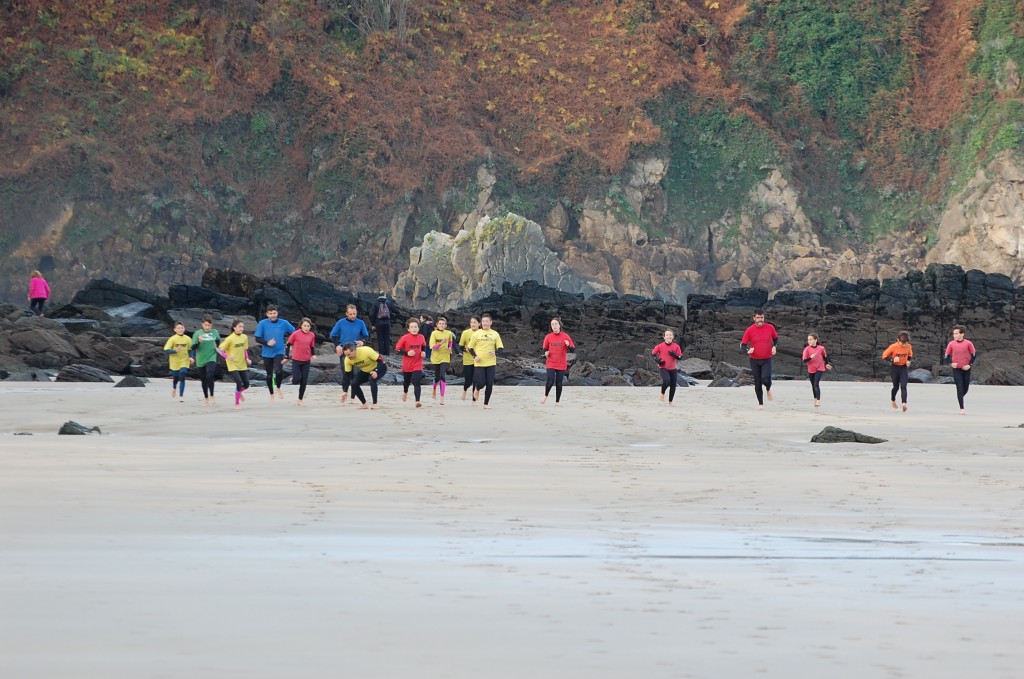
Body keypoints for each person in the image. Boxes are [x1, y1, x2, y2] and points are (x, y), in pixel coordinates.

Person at [330, 304, 370, 403]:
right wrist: (337, 345)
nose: (353, 316)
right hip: (345, 351)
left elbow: (366, 335)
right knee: (346, 373)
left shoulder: (360, 323)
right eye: (351, 314)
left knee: (356, 375)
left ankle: (353, 397)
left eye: (354, 314)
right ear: (346, 314)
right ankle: (345, 392)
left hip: (356, 351)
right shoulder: (341, 323)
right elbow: (333, 335)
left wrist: (362, 342)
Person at [254, 305, 295, 401]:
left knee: (278, 371)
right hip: (267, 352)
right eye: (270, 313)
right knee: (269, 375)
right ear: (267, 314)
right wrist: (267, 342)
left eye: (274, 313)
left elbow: (294, 332)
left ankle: (278, 388)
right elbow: (257, 338)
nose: (273, 315)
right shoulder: (262, 324)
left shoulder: (284, 323)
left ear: (277, 313)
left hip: (279, 351)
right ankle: (271, 394)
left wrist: (291, 343)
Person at [740, 309, 779, 409]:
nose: (760, 320)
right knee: (757, 382)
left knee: (766, 379)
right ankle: (760, 403)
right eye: (758, 318)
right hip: (754, 360)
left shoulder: (770, 327)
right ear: (754, 318)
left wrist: (774, 346)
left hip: (767, 359)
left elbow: (776, 339)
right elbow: (743, 345)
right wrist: (747, 351)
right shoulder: (749, 330)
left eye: (761, 317)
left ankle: (768, 388)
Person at [466, 313, 504, 409]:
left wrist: (495, 352)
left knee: (489, 383)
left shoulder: (495, 334)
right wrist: (475, 356)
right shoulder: (476, 334)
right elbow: (470, 347)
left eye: (487, 321)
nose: (485, 323)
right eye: (483, 321)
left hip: (491, 362)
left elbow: (500, 348)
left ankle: (486, 403)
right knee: (481, 382)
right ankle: (477, 388)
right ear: (481, 323)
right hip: (479, 363)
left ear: (491, 322)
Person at [342, 342, 387, 409]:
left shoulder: (366, 350)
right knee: (354, 383)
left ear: (354, 350)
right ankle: (364, 404)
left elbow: (381, 361)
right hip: (365, 371)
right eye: (346, 355)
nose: (348, 357)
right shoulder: (347, 360)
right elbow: (347, 375)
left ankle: (375, 404)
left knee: (372, 379)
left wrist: (376, 371)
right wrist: (345, 391)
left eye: (349, 354)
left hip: (380, 368)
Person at [219, 319, 252, 410]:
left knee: (246, 384)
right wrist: (227, 356)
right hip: (232, 364)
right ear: (234, 328)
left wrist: (247, 358)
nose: (241, 328)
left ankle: (239, 392)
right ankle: (237, 403)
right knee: (239, 382)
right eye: (239, 327)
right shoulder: (229, 338)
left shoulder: (244, 337)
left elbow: (245, 350)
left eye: (242, 327)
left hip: (242, 363)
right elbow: (219, 350)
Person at [541, 318, 576, 405]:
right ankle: (545, 396)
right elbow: (544, 348)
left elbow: (573, 349)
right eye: (552, 324)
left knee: (559, 383)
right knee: (550, 381)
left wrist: (568, 345)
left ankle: (557, 402)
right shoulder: (548, 337)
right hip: (551, 362)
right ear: (551, 327)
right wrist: (546, 352)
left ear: (559, 325)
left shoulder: (565, 336)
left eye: (556, 324)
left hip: (561, 363)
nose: (554, 326)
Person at [395, 318, 428, 408]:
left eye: (416, 327)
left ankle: (417, 401)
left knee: (416, 380)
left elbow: (424, 346)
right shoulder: (405, 338)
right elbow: (397, 349)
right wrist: (407, 353)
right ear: (408, 329)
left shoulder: (421, 337)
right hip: (407, 364)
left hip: (417, 363)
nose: (414, 329)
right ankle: (405, 392)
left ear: (418, 328)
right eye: (412, 327)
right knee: (406, 382)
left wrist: (423, 352)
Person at [944, 325, 976, 414]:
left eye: (956, 333)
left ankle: (960, 397)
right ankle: (962, 408)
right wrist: (951, 363)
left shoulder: (968, 343)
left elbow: (974, 355)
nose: (954, 335)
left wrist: (970, 365)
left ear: (962, 334)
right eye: (954, 334)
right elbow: (946, 356)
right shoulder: (951, 344)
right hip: (957, 369)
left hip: (966, 369)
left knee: (965, 389)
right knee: (960, 388)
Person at [286, 317, 317, 407]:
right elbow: (288, 344)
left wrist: (313, 354)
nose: (306, 328)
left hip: (306, 360)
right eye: (305, 326)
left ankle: (300, 399)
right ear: (301, 326)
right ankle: (294, 378)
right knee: (296, 380)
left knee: (304, 381)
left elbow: (312, 347)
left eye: (308, 326)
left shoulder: (312, 335)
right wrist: (286, 356)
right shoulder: (295, 334)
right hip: (296, 359)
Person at [191, 315, 221, 406]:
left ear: (211, 325)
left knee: (210, 374)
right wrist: (199, 342)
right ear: (202, 324)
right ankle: (206, 397)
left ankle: (212, 395)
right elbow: (193, 347)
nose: (207, 327)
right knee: (203, 379)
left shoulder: (215, 332)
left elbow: (218, 340)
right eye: (205, 325)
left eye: (209, 325)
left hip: (211, 357)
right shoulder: (197, 334)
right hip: (201, 359)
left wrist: (217, 347)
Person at [882, 331, 913, 412]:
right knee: (896, 387)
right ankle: (893, 400)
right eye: (902, 343)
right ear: (897, 340)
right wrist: (892, 359)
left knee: (904, 386)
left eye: (905, 343)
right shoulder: (893, 346)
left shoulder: (908, 346)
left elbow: (910, 355)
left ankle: (904, 404)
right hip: (895, 368)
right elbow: (884, 356)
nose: (904, 345)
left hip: (903, 368)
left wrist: (908, 361)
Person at [651, 329, 683, 406]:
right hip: (663, 367)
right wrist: (658, 361)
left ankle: (670, 402)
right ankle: (662, 393)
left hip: (673, 369)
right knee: (666, 381)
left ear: (673, 337)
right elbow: (653, 354)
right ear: (664, 337)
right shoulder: (660, 346)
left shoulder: (676, 346)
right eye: (667, 335)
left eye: (670, 335)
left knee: (673, 385)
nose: (669, 336)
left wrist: (674, 355)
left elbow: (680, 357)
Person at [163, 321, 192, 403]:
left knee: (182, 375)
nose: (180, 329)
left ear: (184, 329)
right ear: (175, 330)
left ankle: (181, 396)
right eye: (178, 328)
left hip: (184, 360)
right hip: (174, 362)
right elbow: (166, 350)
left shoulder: (187, 339)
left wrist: (191, 357)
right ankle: (174, 387)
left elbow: (191, 349)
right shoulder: (172, 339)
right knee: (176, 377)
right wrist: (175, 351)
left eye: (182, 328)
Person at [428, 316, 455, 405]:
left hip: (445, 357)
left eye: (443, 324)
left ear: (446, 325)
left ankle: (442, 397)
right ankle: (434, 389)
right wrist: (441, 343)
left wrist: (450, 348)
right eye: (440, 324)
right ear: (437, 325)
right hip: (436, 357)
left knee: (442, 375)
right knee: (437, 377)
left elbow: (450, 341)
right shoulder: (434, 333)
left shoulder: (448, 333)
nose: (441, 325)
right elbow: (433, 347)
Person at [801, 333, 832, 408]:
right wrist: (810, 357)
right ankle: (815, 398)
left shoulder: (821, 348)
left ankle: (818, 400)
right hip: (811, 368)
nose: (809, 341)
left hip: (820, 368)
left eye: (811, 340)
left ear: (815, 340)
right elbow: (804, 360)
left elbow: (825, 356)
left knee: (816, 383)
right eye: (808, 340)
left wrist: (827, 364)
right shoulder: (807, 349)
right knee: (813, 385)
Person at [458, 316, 480, 401]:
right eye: (471, 322)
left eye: (475, 322)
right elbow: (460, 346)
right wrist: (465, 349)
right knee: (468, 381)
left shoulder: (482, 333)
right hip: (467, 360)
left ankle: (474, 399)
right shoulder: (466, 333)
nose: (473, 324)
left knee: (476, 380)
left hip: (478, 360)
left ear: (479, 323)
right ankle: (465, 390)